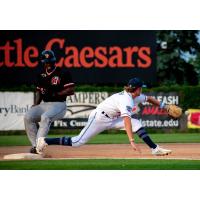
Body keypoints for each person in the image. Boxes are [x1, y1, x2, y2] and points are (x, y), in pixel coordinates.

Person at [36, 77, 172, 156]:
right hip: (99, 118)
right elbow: (126, 121)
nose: (142, 89)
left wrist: (165, 107)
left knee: (137, 123)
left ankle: (155, 149)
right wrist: (131, 140)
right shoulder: (127, 100)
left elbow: (149, 99)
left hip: (111, 119)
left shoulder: (134, 95)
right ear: (136, 89)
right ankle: (45, 140)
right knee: (77, 142)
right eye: (141, 87)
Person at [24, 50, 75, 154]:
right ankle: (35, 146)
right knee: (28, 117)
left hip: (59, 104)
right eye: (45, 61)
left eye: (49, 61)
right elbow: (39, 91)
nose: (47, 63)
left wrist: (57, 94)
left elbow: (70, 90)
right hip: (44, 104)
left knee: (45, 117)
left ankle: (39, 147)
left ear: (54, 60)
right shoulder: (41, 75)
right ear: (43, 62)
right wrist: (36, 104)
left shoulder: (63, 72)